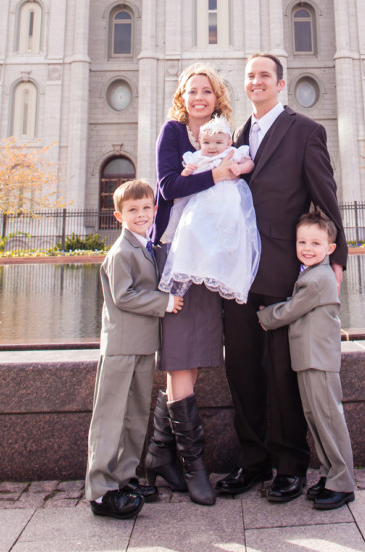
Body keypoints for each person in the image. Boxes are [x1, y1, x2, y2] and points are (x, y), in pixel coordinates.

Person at [217, 53, 348, 504]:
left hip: (280, 270)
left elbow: (324, 194)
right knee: (242, 370)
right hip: (236, 273)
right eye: (250, 76)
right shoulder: (238, 136)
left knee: (281, 372)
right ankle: (253, 461)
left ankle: (290, 464)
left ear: (281, 83)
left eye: (264, 76)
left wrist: (337, 255)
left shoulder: (305, 131)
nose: (256, 82)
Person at [146, 65, 240, 506]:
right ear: (182, 97)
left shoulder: (227, 136)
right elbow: (167, 187)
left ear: (216, 97)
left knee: (196, 355)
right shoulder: (173, 132)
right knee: (181, 357)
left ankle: (160, 454)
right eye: (192, 91)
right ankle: (194, 465)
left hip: (210, 260)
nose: (199, 97)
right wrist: (216, 176)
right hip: (177, 255)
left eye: (206, 91)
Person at [85, 179, 183, 520]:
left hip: (143, 346)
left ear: (155, 210)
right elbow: (124, 296)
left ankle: (125, 478)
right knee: (110, 418)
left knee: (136, 415)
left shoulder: (144, 245)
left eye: (146, 208)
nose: (141, 215)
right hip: (121, 347)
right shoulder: (121, 251)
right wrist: (166, 303)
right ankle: (100, 492)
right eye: (132, 210)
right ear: (118, 216)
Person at [257, 210, 355, 510]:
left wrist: (264, 315)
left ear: (330, 248)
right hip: (308, 358)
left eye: (315, 243)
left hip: (318, 360)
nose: (307, 248)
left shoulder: (317, 279)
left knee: (328, 420)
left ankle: (343, 483)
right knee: (316, 420)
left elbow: (290, 311)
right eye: (302, 242)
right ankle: (328, 475)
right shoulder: (311, 274)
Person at [159, 115, 260, 303]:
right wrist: (186, 171)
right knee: (192, 229)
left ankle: (224, 268)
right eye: (206, 142)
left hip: (227, 200)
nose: (212, 147)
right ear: (199, 142)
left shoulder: (232, 153)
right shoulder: (197, 157)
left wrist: (241, 169)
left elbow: (250, 163)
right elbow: (182, 179)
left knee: (230, 227)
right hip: (204, 202)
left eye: (218, 142)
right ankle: (190, 265)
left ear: (229, 142)